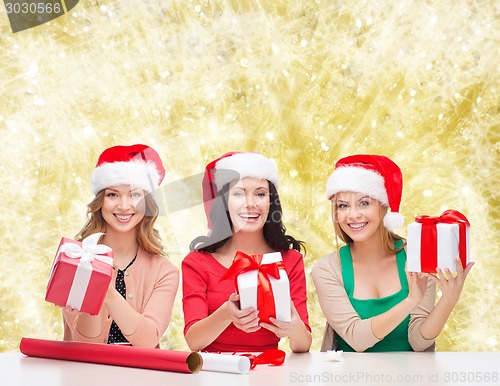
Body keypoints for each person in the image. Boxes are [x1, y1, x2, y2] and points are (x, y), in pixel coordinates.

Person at [311, 154, 474, 352]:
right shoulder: (327, 269)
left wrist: (449, 299)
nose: (353, 215)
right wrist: (410, 300)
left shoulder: (417, 255)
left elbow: (418, 341)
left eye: (364, 203)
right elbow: (356, 338)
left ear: (384, 206)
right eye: (343, 206)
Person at [182, 151, 312, 353]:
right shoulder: (197, 262)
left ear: (271, 202)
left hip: (270, 373)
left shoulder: (290, 260)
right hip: (215, 373)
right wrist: (226, 313)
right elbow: (194, 341)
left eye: (260, 194)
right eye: (238, 193)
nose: (251, 203)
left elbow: (303, 345)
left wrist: (294, 329)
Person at [62, 144, 179, 348]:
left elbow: (148, 340)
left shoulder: (164, 271)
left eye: (135, 195)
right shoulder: (76, 258)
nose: (124, 206)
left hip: (141, 377)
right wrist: (89, 303)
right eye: (112, 195)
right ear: (100, 202)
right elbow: (86, 344)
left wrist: (108, 294)